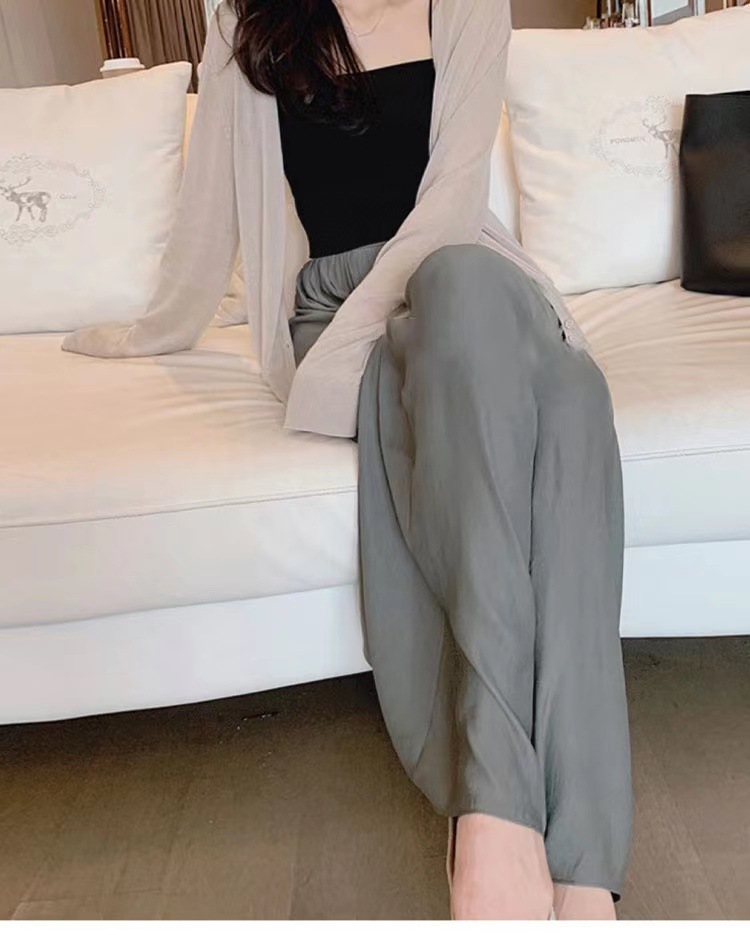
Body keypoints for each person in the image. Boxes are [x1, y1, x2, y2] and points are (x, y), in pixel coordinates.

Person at [62, 0, 633, 920]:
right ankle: (571, 861)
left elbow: (452, 206)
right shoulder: (247, 19)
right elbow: (208, 214)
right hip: (341, 311)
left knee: (495, 318)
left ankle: (502, 816)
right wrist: (149, 331)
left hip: (475, 287)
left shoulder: (467, 6)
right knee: (569, 403)